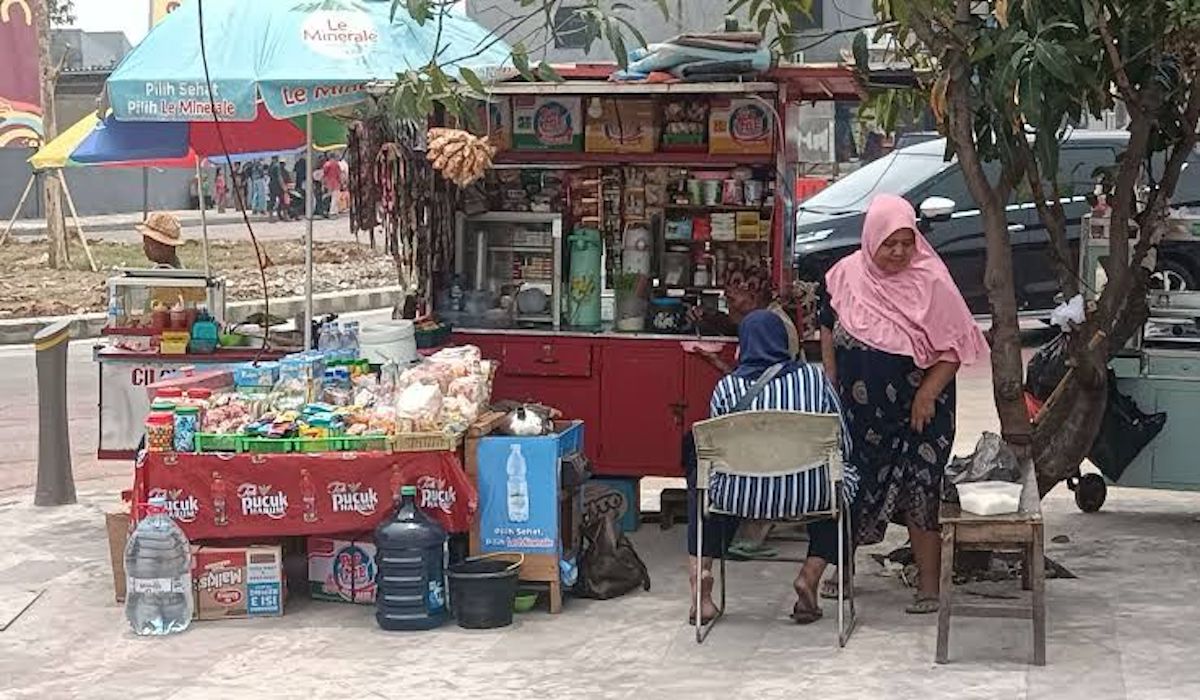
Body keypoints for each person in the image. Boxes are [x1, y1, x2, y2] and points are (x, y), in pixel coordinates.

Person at [818, 194, 988, 614]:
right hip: (861, 414)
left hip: (921, 415)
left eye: (905, 243)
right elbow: (826, 324)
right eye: (888, 243)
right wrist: (831, 374)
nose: (897, 253)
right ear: (871, 238)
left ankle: (929, 587)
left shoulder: (932, 282)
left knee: (921, 489)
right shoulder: (844, 275)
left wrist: (928, 392)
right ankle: (844, 571)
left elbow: (954, 346)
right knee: (856, 486)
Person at [685, 310, 856, 625]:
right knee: (844, 483)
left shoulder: (726, 388)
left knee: (703, 484)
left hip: (740, 497)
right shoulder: (814, 379)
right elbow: (842, 441)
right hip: (808, 493)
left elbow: (714, 454)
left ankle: (701, 589)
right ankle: (809, 577)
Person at [322, 152, 344, 218]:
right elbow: (338, 174)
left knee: (329, 197)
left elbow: (324, 174)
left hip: (328, 183)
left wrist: (323, 183)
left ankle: (328, 210)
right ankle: (333, 212)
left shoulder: (326, 164)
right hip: (335, 183)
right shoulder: (336, 164)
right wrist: (341, 182)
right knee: (335, 198)